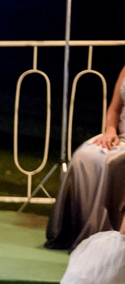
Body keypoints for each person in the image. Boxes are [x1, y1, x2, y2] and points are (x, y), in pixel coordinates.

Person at [46, 64, 125, 251]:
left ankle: (103, 232)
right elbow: (114, 109)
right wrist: (110, 131)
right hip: (120, 137)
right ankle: (75, 231)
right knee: (85, 156)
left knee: (111, 163)